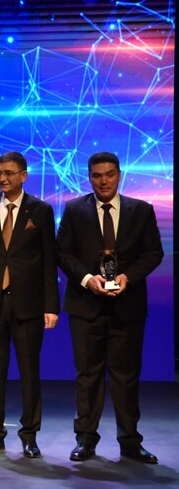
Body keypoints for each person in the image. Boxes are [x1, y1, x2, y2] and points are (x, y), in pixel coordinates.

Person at [56, 152, 163, 464]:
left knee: (125, 377)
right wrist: (87, 279)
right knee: (87, 377)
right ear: (89, 177)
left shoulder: (141, 210)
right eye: (97, 175)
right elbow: (62, 252)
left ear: (119, 175)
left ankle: (130, 442)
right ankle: (85, 440)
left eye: (110, 174)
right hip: (85, 306)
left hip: (127, 307)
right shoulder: (74, 209)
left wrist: (129, 277)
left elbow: (153, 252)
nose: (104, 181)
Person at [0, 151, 59, 459]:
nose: (2, 178)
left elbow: (49, 262)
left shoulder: (41, 210)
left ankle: (29, 436)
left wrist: (51, 306)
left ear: (23, 176)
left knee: (29, 373)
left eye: (9, 173)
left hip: (28, 306)